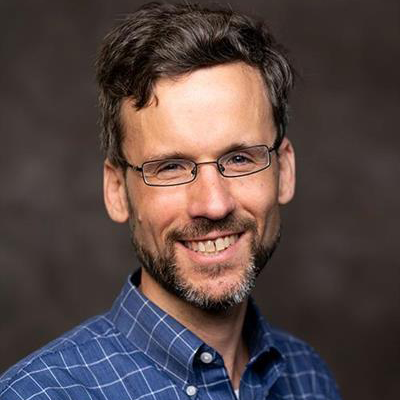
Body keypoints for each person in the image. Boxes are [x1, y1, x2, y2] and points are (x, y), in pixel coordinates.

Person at [0, 2, 342, 399]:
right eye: (171, 167)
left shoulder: (309, 378)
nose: (214, 205)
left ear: (284, 170)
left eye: (239, 158)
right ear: (117, 191)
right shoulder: (38, 394)